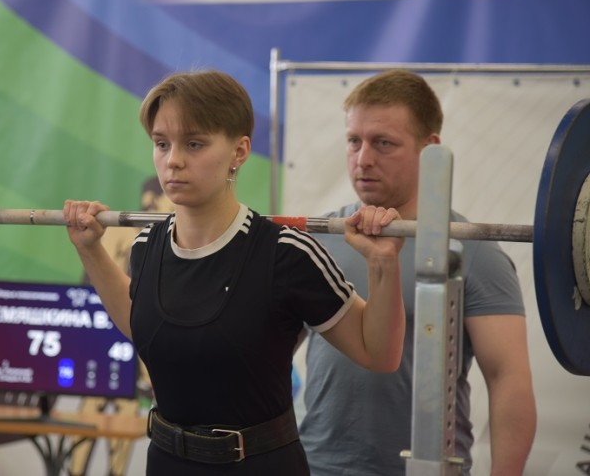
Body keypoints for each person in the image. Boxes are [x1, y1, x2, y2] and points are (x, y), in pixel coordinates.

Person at [63, 69, 406, 475]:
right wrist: (91, 251)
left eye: (194, 144)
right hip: (166, 463)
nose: (173, 160)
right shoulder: (146, 248)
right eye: (161, 144)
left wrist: (383, 263)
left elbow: (379, 353)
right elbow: (143, 325)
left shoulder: (286, 254)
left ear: (239, 152)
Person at [299, 69, 537, 475]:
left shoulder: (474, 252)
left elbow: (507, 380)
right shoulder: (318, 242)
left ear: (431, 150)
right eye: (353, 141)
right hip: (315, 466)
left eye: (383, 143)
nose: (363, 159)